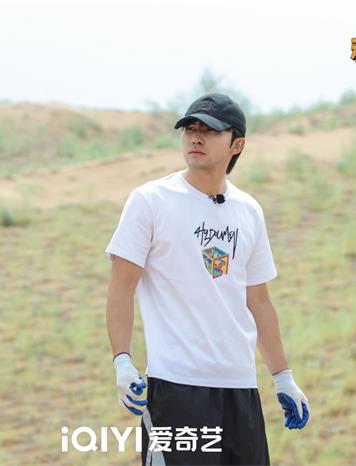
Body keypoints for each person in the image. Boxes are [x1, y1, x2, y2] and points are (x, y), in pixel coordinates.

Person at [104, 93, 310, 466]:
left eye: (210, 131)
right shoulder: (151, 200)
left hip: (240, 389)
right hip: (176, 389)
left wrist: (283, 377)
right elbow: (121, 287)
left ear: (237, 145)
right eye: (190, 129)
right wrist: (122, 361)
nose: (196, 138)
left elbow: (258, 301)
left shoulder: (249, 211)